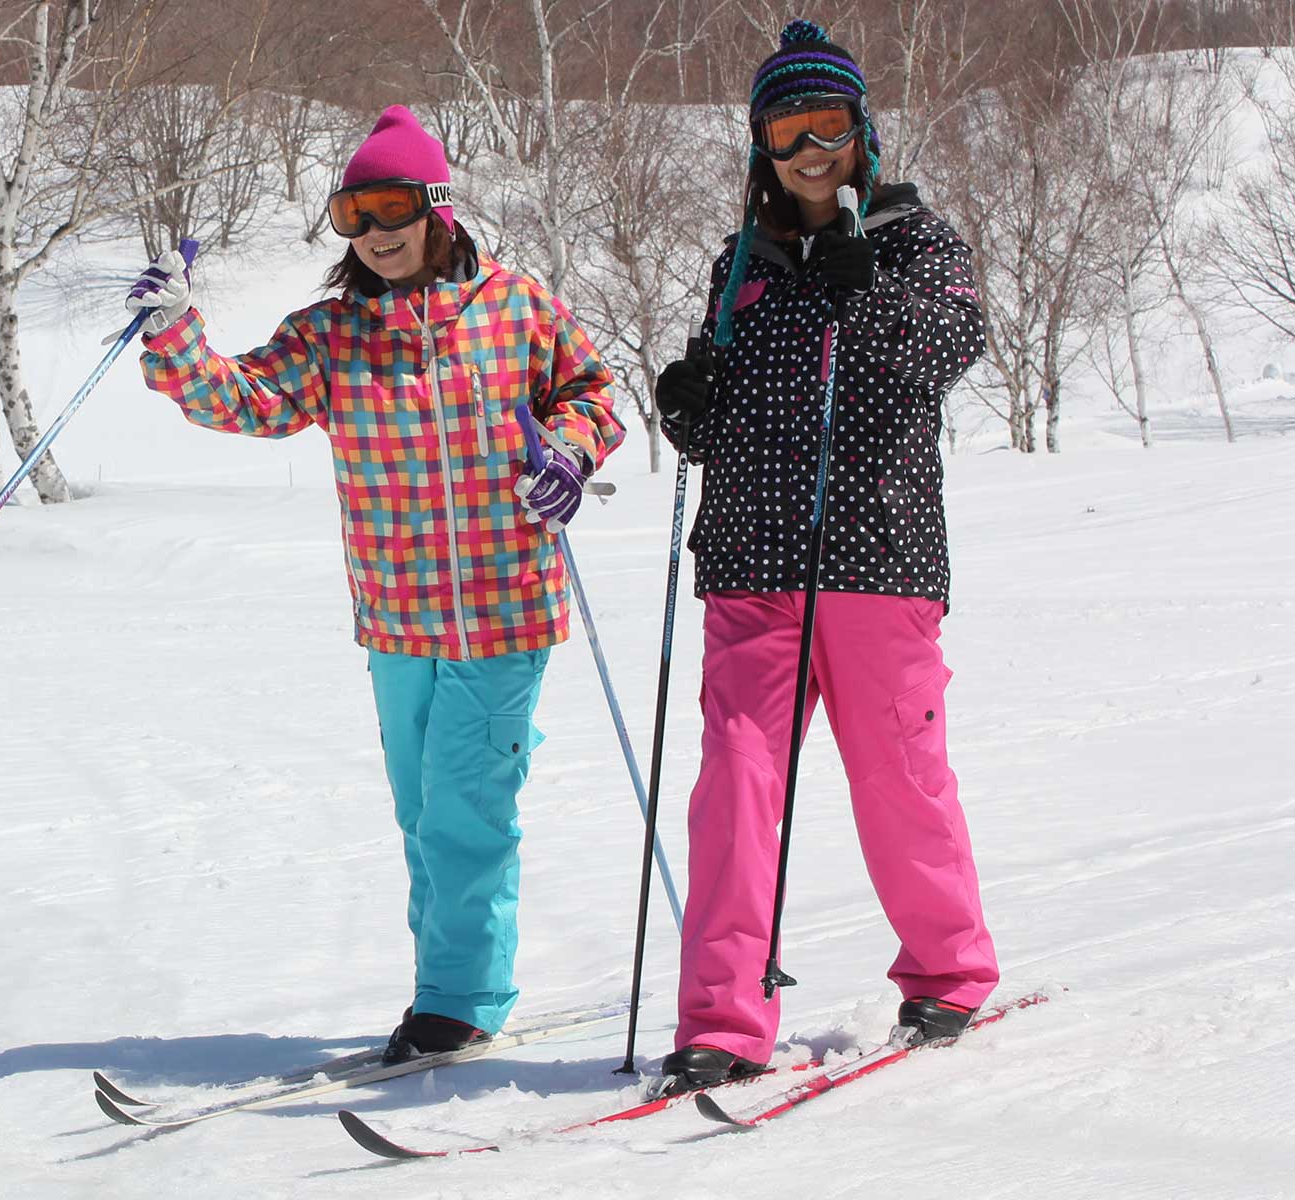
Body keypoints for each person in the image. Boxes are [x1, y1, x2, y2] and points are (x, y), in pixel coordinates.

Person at [124, 105, 623, 1063]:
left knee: (465, 807)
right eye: (353, 213)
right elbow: (248, 401)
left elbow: (592, 392)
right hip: (395, 618)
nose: (376, 230)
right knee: (420, 810)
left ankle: (462, 999)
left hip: (505, 605)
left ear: (436, 207)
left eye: (392, 204)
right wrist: (178, 336)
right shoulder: (330, 335)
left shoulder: (517, 308)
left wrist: (568, 450)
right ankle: (448, 981)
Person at [651, 20, 999, 1094]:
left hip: (877, 559)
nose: (810, 149)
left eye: (828, 125)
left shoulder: (917, 242)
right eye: (787, 128)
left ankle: (948, 971)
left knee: (898, 777)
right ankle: (723, 1017)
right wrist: (690, 409)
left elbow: (945, 352)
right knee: (736, 786)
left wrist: (868, 292)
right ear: (761, 143)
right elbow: (729, 414)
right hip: (752, 561)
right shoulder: (739, 261)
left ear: (863, 132)